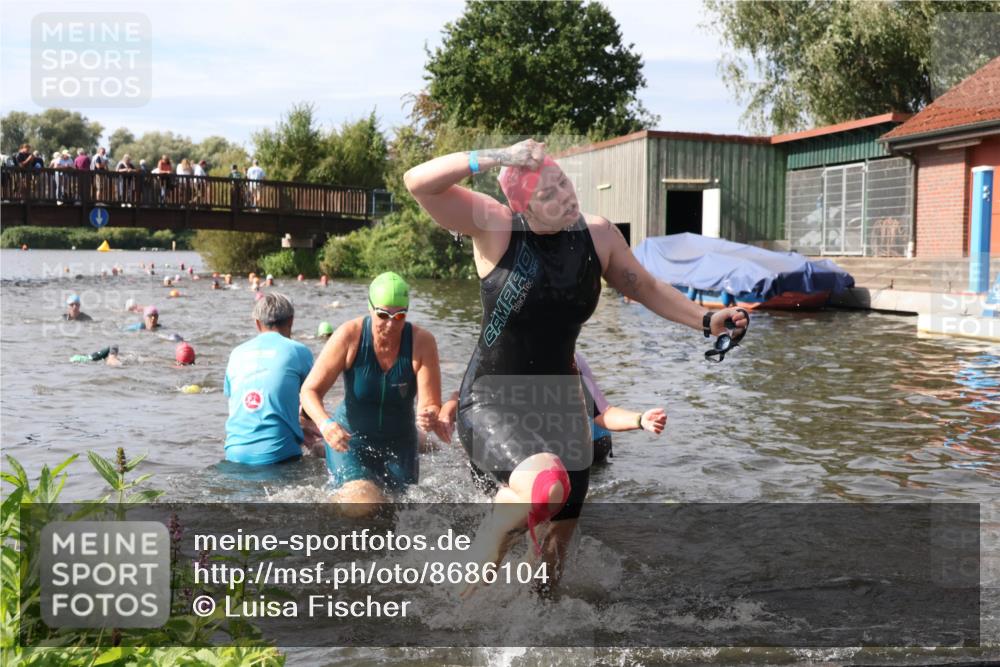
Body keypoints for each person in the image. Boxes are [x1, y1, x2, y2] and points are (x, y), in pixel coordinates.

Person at [404, 139, 750, 588]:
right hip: (494, 401)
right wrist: (497, 156)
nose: (565, 196)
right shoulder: (497, 227)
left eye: (563, 183)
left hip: (562, 408)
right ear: (523, 206)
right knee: (545, 485)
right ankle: (469, 592)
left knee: (554, 562)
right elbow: (418, 183)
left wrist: (707, 320)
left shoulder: (599, 235)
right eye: (548, 194)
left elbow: (643, 285)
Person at [300, 272, 449, 507]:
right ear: (370, 308)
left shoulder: (422, 342)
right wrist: (325, 425)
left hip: (400, 444)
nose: (391, 324)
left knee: (403, 510)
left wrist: (430, 416)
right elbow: (309, 391)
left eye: (399, 316)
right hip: (351, 442)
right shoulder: (349, 336)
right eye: (383, 315)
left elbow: (429, 404)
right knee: (360, 503)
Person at [224, 292, 316, 465]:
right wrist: (306, 424)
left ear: (257, 323)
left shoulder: (236, 353)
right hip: (280, 456)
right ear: (291, 321)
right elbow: (312, 397)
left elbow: (234, 402)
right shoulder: (298, 351)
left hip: (234, 454)